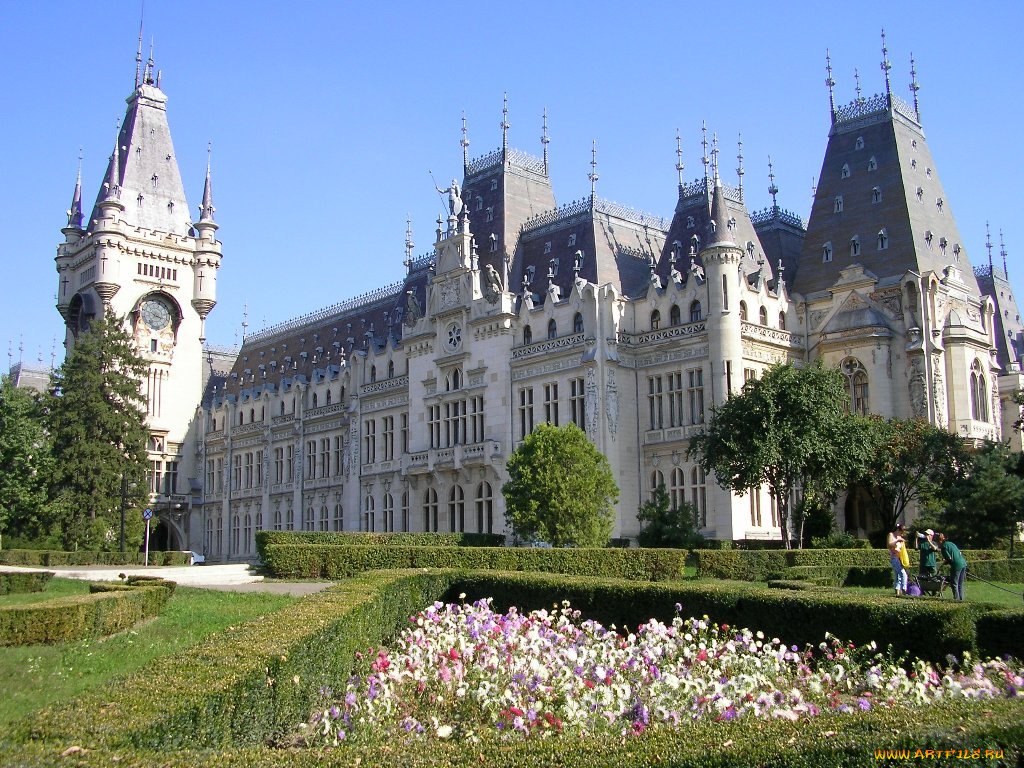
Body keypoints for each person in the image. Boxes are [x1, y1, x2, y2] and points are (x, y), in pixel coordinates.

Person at [937, 532, 968, 601]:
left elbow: (949, 558)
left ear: (939, 541)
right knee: (960, 584)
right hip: (963, 563)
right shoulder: (951, 543)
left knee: (954, 583)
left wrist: (945, 562)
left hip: (956, 565)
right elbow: (959, 553)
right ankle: (961, 600)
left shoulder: (943, 547)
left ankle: (956, 600)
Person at [886, 523, 908, 596]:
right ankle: (904, 590)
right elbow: (889, 545)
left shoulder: (900, 537)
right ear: (898, 530)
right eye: (901, 532)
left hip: (900, 558)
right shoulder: (891, 535)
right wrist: (897, 541)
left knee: (898, 576)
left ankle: (897, 592)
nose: (902, 534)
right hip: (894, 558)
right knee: (903, 574)